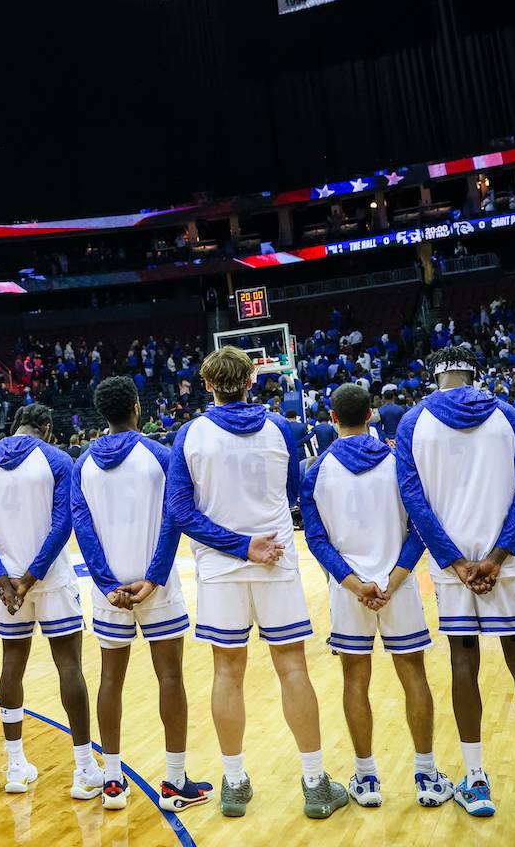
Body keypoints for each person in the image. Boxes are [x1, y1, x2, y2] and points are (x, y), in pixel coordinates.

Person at [168, 347, 347, 819]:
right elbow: (289, 492)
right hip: (276, 561)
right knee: (293, 669)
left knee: (227, 673)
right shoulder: (282, 429)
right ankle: (314, 782)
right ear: (252, 380)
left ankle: (233, 782)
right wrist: (253, 543)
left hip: (221, 572)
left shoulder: (190, 435)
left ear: (208, 384)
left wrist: (237, 546)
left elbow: (181, 513)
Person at [395, 344, 515, 819]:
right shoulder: (508, 415)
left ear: (435, 375)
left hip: (453, 573)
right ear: (475, 371)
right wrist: (497, 556)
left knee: (463, 663)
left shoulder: (413, 422)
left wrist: (454, 561)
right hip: (504, 564)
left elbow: (413, 498)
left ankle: (475, 780)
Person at [300, 383, 453, 809]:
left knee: (355, 680)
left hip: (349, 592)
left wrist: (354, 583)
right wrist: (395, 578)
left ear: (331, 418)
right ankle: (425, 775)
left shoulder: (315, 470)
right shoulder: (399, 463)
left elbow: (315, 539)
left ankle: (366, 780)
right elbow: (419, 527)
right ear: (371, 415)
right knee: (414, 677)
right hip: (397, 588)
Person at [71, 381, 208, 811]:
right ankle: (174, 782)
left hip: (107, 591)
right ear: (136, 407)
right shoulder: (161, 456)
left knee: (110, 679)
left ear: (101, 414)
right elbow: (175, 518)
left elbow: (83, 528)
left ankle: (112, 781)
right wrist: (153, 577)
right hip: (157, 587)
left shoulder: (82, 464)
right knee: (170, 678)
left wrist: (106, 582)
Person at [0, 403, 104, 800]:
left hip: (7, 585)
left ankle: (14, 765)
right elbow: (64, 522)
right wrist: (32, 577)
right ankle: (83, 769)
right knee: (69, 666)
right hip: (49, 578)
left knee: (12, 667)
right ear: (46, 427)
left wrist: (2, 578)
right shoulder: (58, 459)